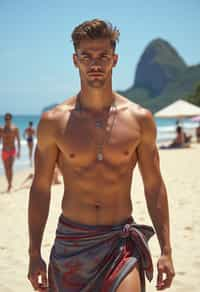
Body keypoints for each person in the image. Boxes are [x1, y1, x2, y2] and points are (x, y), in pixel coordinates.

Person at [28, 19, 175, 292]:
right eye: (86, 56)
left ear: (114, 59)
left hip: (119, 244)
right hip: (71, 242)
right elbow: (40, 188)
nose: (95, 63)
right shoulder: (53, 122)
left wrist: (166, 250)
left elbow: (154, 185)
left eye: (103, 56)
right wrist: (34, 253)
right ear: (75, 60)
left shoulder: (140, 120)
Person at [0, 113, 21, 192]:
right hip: (4, 150)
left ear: (11, 119)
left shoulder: (15, 128)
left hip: (12, 150)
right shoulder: (1, 129)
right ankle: (8, 182)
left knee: (10, 167)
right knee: (6, 169)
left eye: (8, 119)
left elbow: (18, 140)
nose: (7, 120)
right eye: (6, 119)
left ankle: (10, 184)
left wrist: (19, 151)